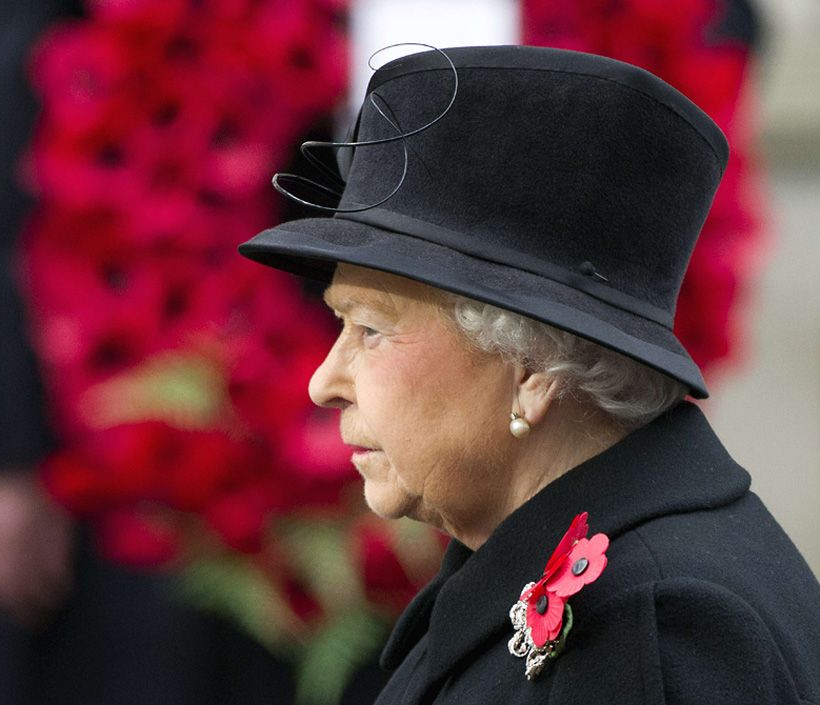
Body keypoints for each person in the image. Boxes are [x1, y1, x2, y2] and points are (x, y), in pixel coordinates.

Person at [239, 45, 820, 704]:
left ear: (532, 372)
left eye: (370, 329)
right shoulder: (569, 567)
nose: (324, 381)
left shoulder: (650, 629)